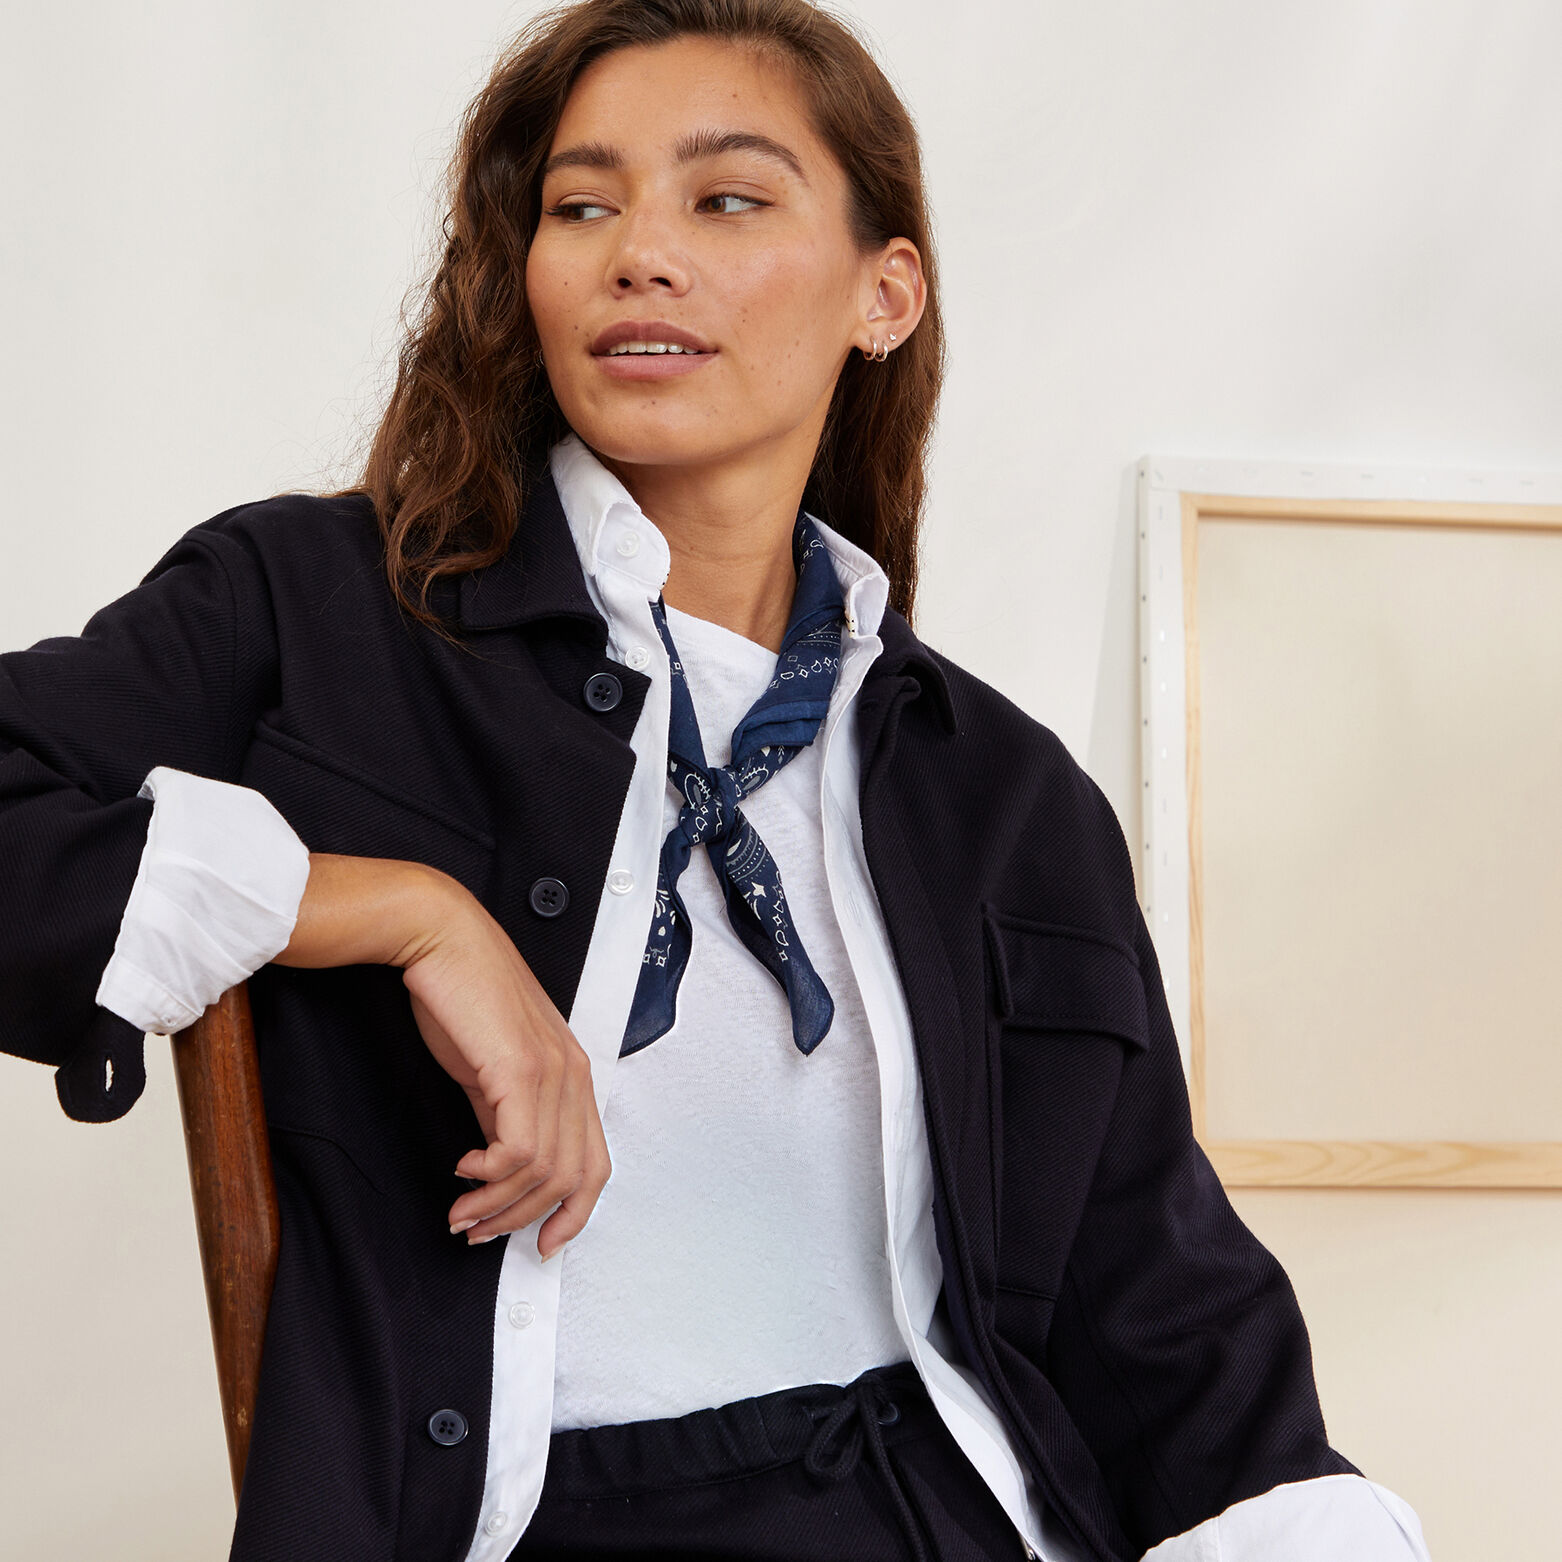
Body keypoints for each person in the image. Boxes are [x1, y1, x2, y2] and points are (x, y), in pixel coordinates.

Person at [0, 2, 1433, 1558]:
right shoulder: (317, 609)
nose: (640, 254)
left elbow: (1164, 1318)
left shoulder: (1002, 796)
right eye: (580, 206)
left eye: (727, 198)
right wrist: (406, 915)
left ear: (883, 293)